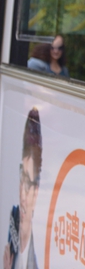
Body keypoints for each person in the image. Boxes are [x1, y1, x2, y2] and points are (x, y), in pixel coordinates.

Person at [4, 108, 41, 269]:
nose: (23, 196)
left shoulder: (36, 258)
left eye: (29, 185)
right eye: (22, 179)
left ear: (37, 192)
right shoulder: (13, 220)